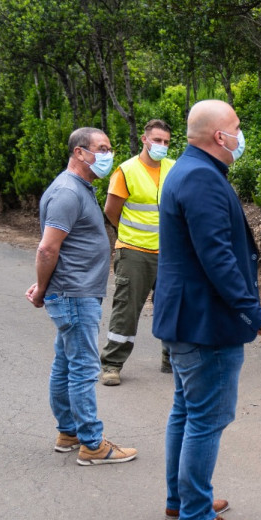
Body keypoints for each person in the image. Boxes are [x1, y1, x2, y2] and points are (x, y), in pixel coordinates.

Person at [152, 100, 261, 520]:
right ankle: (196, 514)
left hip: (187, 316)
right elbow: (218, 258)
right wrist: (255, 312)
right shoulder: (202, 179)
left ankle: (181, 498)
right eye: (237, 128)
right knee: (207, 416)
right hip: (206, 321)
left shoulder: (188, 171)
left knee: (187, 411)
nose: (241, 135)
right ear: (218, 137)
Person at [26, 127, 138, 465]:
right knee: (84, 368)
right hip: (74, 294)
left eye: (109, 147)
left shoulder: (79, 188)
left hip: (75, 291)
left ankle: (69, 433)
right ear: (79, 152)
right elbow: (48, 248)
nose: (108, 154)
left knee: (65, 364)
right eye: (101, 148)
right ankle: (92, 444)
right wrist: (42, 288)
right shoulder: (67, 192)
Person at [100, 119, 175, 385]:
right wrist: (128, 234)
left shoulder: (174, 169)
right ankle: (112, 364)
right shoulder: (126, 170)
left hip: (169, 253)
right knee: (127, 309)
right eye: (157, 140)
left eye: (166, 142)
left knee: (173, 307)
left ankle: (171, 361)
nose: (162, 146)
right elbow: (111, 210)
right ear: (144, 140)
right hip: (134, 251)